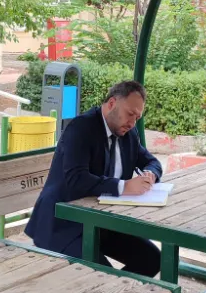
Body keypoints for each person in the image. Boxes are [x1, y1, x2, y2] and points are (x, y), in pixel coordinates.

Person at [26, 80, 162, 277]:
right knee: (103, 276)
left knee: (152, 259)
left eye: (137, 117)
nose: (133, 122)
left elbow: (152, 162)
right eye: (130, 114)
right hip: (62, 225)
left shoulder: (128, 133)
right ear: (112, 103)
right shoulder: (81, 128)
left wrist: (151, 173)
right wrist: (124, 186)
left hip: (101, 222)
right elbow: (76, 179)